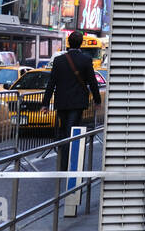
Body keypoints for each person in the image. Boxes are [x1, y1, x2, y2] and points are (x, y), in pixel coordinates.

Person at [40, 31, 102, 170]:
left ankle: (63, 161)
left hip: (61, 101)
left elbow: (52, 83)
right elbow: (92, 82)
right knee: (72, 129)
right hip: (77, 101)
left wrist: (45, 103)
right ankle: (69, 162)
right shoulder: (86, 60)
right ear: (80, 43)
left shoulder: (59, 60)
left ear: (69, 43)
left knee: (64, 130)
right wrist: (97, 100)